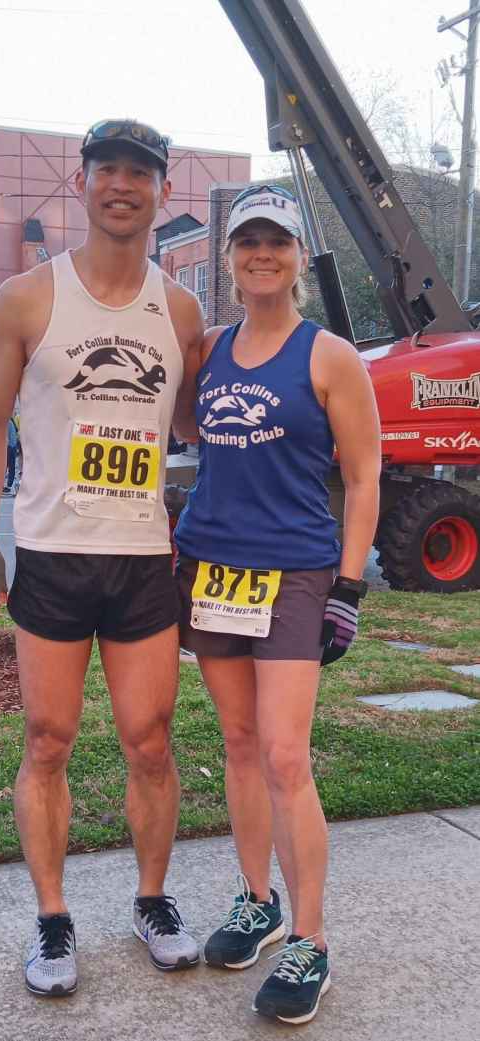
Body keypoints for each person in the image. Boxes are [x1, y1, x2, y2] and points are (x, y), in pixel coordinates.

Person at [0, 118, 206, 997]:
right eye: (106, 169)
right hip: (55, 556)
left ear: (161, 193)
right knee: (48, 739)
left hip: (143, 557)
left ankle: (151, 900)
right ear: (82, 182)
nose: (121, 184)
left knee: (150, 741)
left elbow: (192, 424)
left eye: (139, 173)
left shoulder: (180, 310)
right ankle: (54, 919)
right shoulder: (28, 298)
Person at [172, 184, 381, 1025]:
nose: (262, 253)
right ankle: (254, 900)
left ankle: (311, 937)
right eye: (247, 241)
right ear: (229, 257)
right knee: (238, 741)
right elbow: (185, 429)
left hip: (295, 572)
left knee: (287, 756)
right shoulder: (211, 349)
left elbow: (365, 476)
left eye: (277, 241)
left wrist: (350, 587)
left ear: (298, 256)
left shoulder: (330, 355)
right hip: (213, 566)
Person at [2, 415, 19, 494]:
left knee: (4, 467)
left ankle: (4, 485)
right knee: (11, 467)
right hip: (13, 446)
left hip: (8, 447)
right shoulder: (11, 422)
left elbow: (6, 437)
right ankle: (8, 485)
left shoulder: (6, 422)